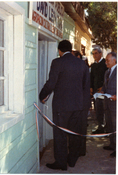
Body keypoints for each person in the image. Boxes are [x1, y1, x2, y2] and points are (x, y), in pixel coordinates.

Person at [39, 40, 90, 170]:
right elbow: (85, 86)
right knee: (74, 134)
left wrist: (42, 95)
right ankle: (72, 160)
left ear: (59, 50)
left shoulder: (57, 62)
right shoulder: (82, 64)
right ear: (71, 49)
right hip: (78, 106)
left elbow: (51, 83)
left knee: (60, 135)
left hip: (61, 107)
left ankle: (61, 163)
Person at [101, 52, 117, 157]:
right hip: (107, 104)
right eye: (106, 60)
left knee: (116, 126)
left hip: (115, 105)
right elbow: (104, 86)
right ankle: (112, 144)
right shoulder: (107, 72)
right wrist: (101, 91)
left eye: (108, 60)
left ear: (114, 61)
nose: (106, 62)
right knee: (110, 126)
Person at [90, 47, 108, 134]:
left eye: (96, 53)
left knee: (105, 110)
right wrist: (91, 87)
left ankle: (107, 129)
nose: (94, 55)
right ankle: (100, 127)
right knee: (98, 110)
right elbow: (91, 77)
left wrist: (104, 87)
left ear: (100, 54)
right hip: (96, 92)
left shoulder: (105, 64)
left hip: (104, 92)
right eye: (93, 54)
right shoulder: (93, 65)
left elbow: (109, 77)